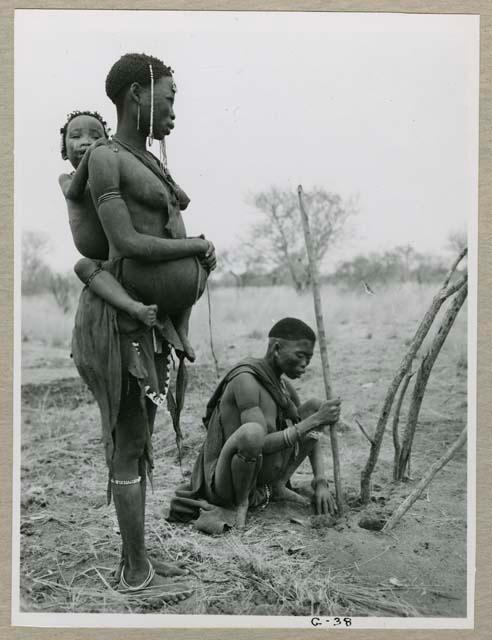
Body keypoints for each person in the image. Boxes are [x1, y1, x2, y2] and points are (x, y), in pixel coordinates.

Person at [71, 52, 216, 599]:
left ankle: (140, 553)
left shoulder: (150, 160)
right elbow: (125, 244)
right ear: (138, 94)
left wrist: (198, 263)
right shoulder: (107, 158)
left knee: (140, 438)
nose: (174, 110)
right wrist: (195, 247)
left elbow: (166, 220)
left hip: (151, 322)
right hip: (119, 320)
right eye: (169, 97)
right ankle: (134, 571)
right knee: (129, 442)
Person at [168, 317, 342, 533]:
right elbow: (260, 443)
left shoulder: (282, 385)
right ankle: (242, 503)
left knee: (316, 407)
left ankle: (278, 485)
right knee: (253, 432)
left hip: (259, 476)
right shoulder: (246, 381)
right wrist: (315, 421)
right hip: (226, 483)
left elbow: (308, 425)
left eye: (309, 358)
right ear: (277, 348)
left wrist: (321, 481)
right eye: (300, 355)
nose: (305, 364)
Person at [58, 110, 158, 329]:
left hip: (125, 249)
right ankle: (134, 308)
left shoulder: (111, 174)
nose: (86, 142)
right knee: (82, 267)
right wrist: (94, 153)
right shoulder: (67, 179)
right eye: (76, 137)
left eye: (95, 137)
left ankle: (180, 329)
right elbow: (73, 193)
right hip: (99, 260)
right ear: (64, 151)